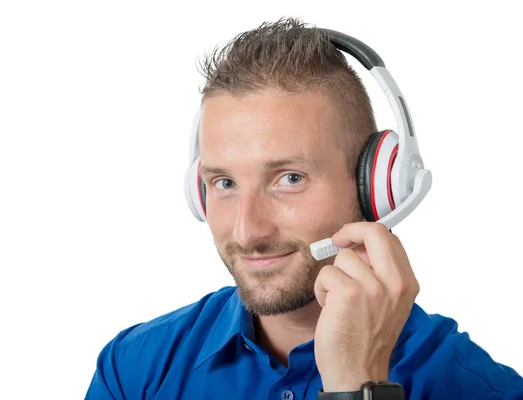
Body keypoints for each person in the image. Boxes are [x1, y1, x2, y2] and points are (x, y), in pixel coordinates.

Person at [85, 18, 523, 399]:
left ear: (376, 186)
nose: (246, 232)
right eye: (224, 183)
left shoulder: (483, 390)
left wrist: (358, 386)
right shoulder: (133, 370)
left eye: (289, 179)